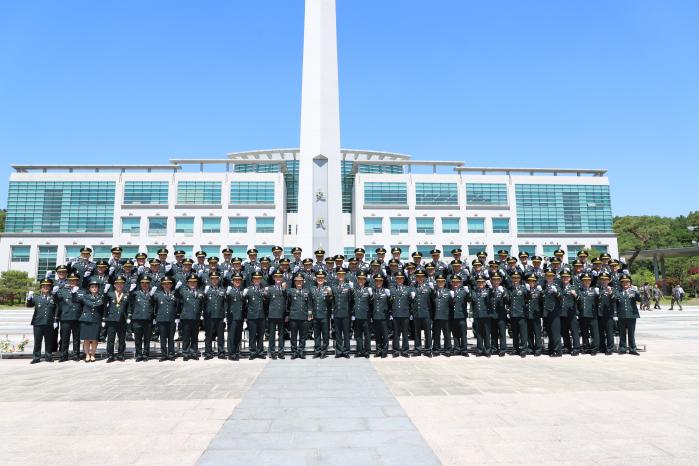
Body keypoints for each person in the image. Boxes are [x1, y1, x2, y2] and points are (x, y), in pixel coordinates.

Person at [73, 277, 105, 362]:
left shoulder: (101, 297)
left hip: (96, 319)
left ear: (98, 288)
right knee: (86, 339)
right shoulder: (85, 296)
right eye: (92, 287)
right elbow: (75, 300)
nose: (94, 288)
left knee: (95, 339)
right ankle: (87, 354)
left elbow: (103, 307)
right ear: (89, 288)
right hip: (86, 320)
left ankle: (93, 354)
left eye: (96, 287)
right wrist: (74, 293)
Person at [27, 278, 58, 363]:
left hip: (49, 322)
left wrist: (55, 320)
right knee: (37, 341)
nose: (46, 287)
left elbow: (56, 309)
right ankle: (36, 357)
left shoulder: (54, 297)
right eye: (44, 286)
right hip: (38, 323)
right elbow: (29, 305)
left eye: (48, 286)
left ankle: (48, 356)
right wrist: (29, 298)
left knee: (49, 341)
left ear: (50, 287)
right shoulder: (36, 297)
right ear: (41, 287)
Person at [54, 272, 83, 361]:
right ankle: (63, 355)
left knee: (76, 338)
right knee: (64, 338)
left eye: (74, 281)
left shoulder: (82, 291)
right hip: (65, 317)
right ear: (68, 281)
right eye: (71, 281)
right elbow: (56, 301)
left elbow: (82, 302)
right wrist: (54, 293)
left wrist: (75, 293)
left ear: (77, 281)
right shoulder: (62, 290)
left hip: (77, 318)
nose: (72, 282)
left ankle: (76, 355)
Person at [128, 276, 156, 361]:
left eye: (147, 283)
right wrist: (130, 291)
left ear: (149, 284)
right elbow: (129, 301)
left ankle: (146, 354)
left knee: (147, 338)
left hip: (148, 318)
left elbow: (155, 305)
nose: (145, 285)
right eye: (143, 283)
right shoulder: (135, 293)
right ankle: (139, 354)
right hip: (137, 318)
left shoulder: (152, 293)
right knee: (138, 338)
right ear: (140, 284)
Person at [103, 275, 129, 362]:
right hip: (111, 319)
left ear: (124, 284)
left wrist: (129, 316)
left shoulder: (126, 294)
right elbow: (104, 304)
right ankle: (110, 355)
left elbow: (128, 307)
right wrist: (105, 293)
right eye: (117, 284)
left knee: (121, 338)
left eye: (121, 283)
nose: (119, 285)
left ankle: (120, 354)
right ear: (114, 285)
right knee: (111, 338)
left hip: (122, 319)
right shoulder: (110, 294)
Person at [178, 273, 204, 361]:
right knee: (186, 336)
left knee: (194, 337)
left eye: (194, 282)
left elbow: (203, 303)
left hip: (196, 317)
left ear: (197, 283)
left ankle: (193, 352)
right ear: (187, 283)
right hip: (186, 317)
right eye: (190, 282)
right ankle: (185, 353)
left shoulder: (200, 292)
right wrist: (177, 288)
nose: (192, 283)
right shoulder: (183, 291)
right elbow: (176, 296)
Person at [203, 272, 227, 360]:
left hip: (220, 316)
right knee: (208, 336)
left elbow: (225, 303)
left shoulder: (223, 290)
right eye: (212, 279)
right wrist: (204, 294)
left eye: (216, 278)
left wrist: (225, 314)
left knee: (221, 336)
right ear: (210, 280)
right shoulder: (206, 290)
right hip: (209, 316)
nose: (214, 280)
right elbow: (202, 302)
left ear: (218, 279)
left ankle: (221, 352)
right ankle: (208, 353)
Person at [154, 277, 179, 361]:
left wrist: (177, 317)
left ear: (171, 285)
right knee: (163, 338)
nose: (167, 285)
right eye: (165, 284)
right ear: (162, 285)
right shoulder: (158, 295)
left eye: (168, 284)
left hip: (172, 319)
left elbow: (177, 306)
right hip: (161, 319)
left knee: (171, 338)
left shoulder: (175, 294)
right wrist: (155, 317)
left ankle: (171, 354)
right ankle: (164, 354)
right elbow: (155, 307)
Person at [310, 271, 333, 358]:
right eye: (318, 278)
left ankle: (324, 351)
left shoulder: (328, 288)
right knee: (316, 334)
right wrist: (310, 313)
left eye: (322, 278)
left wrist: (329, 295)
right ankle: (317, 350)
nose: (320, 279)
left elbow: (330, 302)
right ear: (316, 279)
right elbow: (310, 302)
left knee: (325, 334)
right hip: (315, 315)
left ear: (324, 279)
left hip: (325, 315)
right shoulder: (312, 288)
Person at [288, 274, 311, 359]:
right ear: (294, 282)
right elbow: (288, 303)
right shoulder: (291, 291)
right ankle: (294, 352)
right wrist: (288, 314)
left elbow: (309, 304)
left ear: (303, 281)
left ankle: (301, 351)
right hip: (293, 317)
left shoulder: (306, 291)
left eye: (300, 281)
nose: (299, 282)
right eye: (297, 281)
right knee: (293, 336)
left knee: (302, 336)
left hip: (304, 317)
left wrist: (309, 315)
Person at [266, 271, 288, 359]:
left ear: (282, 278)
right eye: (276, 277)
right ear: (274, 278)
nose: (278, 279)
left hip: (281, 315)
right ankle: (272, 352)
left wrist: (286, 314)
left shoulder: (284, 289)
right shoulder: (270, 289)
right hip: (272, 315)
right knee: (271, 335)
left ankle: (281, 351)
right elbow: (266, 302)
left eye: (280, 277)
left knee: (281, 334)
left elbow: (286, 302)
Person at [245, 271, 267, 360]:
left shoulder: (264, 290)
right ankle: (253, 352)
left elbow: (266, 303)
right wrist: (246, 316)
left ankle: (260, 352)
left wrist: (266, 296)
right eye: (255, 279)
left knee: (261, 335)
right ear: (252, 280)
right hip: (252, 316)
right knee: (252, 335)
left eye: (258, 279)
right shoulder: (249, 290)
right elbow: (245, 304)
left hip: (261, 316)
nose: (257, 280)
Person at [332, 268, 353, 359]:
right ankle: (339, 351)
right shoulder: (334, 287)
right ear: (337, 276)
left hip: (346, 313)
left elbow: (351, 300)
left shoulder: (348, 286)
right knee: (338, 333)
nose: (340, 276)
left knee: (346, 333)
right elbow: (332, 300)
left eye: (342, 274)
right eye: (339, 274)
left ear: (344, 276)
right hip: (337, 313)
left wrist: (352, 289)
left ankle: (346, 351)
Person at [390, 272, 412, 358]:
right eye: (398, 278)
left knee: (405, 333)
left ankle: (405, 350)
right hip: (395, 314)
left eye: (401, 278)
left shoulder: (408, 289)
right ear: (396, 280)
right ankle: (395, 350)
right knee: (396, 333)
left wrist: (410, 313)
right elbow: (389, 302)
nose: (399, 280)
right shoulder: (392, 289)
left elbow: (410, 302)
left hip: (405, 314)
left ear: (403, 280)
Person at [412, 270, 434, 357]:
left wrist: (433, 290)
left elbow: (433, 300)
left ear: (424, 277)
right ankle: (417, 349)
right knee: (417, 333)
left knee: (427, 333)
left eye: (421, 276)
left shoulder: (428, 287)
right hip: (417, 314)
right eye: (418, 276)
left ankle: (428, 350)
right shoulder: (413, 287)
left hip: (426, 314)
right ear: (416, 278)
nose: (420, 278)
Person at [617, 275, 641, 355]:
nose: (625, 283)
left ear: (630, 283)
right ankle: (622, 348)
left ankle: (632, 349)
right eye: (623, 282)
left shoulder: (633, 291)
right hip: (621, 315)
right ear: (621, 283)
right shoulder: (618, 292)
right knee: (622, 333)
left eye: (627, 282)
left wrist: (636, 292)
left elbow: (639, 299)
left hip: (631, 315)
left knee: (631, 333)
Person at [577, 273, 600, 355]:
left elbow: (598, 302)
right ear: (582, 281)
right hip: (582, 314)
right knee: (584, 332)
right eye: (584, 280)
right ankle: (585, 347)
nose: (586, 282)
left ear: (590, 281)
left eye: (588, 280)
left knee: (594, 332)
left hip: (592, 314)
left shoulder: (594, 290)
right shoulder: (579, 290)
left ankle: (594, 348)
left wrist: (598, 295)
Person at [508, 272, 529, 357]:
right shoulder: (510, 289)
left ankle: (524, 349)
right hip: (513, 314)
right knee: (515, 333)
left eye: (517, 278)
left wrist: (528, 291)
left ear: (520, 279)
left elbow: (528, 298)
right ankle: (515, 348)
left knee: (523, 333)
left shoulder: (523, 289)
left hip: (521, 314)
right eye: (514, 278)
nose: (515, 280)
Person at [226, 273, 245, 361]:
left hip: (240, 316)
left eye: (239, 280)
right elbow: (225, 302)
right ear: (232, 281)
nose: (237, 282)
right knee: (232, 336)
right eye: (235, 280)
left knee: (238, 335)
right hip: (232, 316)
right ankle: (231, 353)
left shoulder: (242, 291)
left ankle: (237, 352)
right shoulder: (230, 291)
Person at [432, 275, 453, 357]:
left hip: (446, 316)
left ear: (444, 283)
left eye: (442, 281)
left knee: (447, 334)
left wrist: (452, 297)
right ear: (436, 283)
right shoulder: (433, 292)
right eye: (438, 281)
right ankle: (436, 349)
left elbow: (451, 305)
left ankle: (447, 349)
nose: (440, 283)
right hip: (436, 316)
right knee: (436, 334)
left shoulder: (448, 291)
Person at [371, 274, 391, 358]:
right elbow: (370, 304)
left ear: (383, 282)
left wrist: (389, 296)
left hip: (384, 316)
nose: (378, 282)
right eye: (376, 281)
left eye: (380, 280)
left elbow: (390, 304)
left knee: (385, 335)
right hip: (375, 316)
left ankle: (384, 351)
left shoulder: (386, 291)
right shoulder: (372, 291)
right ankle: (378, 350)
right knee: (377, 335)